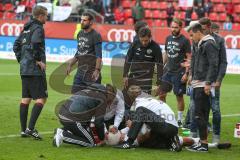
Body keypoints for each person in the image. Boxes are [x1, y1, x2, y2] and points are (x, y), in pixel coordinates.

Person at [13, 5, 48, 140]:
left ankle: (23, 130)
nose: (46, 17)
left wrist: (21, 60)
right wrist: (38, 60)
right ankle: (31, 128)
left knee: (26, 98)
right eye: (45, 15)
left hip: (24, 69)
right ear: (40, 16)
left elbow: (16, 45)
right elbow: (35, 43)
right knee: (42, 98)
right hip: (35, 70)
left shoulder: (26, 28)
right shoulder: (38, 28)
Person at [115, 85, 182, 152]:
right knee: (145, 143)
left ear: (131, 98)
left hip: (166, 126)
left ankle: (129, 142)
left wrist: (130, 126)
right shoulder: (150, 100)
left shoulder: (140, 104)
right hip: (172, 128)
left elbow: (140, 125)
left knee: (141, 110)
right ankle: (172, 143)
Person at [186, 23, 218, 152]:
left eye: (192, 35)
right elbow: (197, 62)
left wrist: (208, 82)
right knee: (199, 114)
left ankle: (203, 144)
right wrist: (191, 75)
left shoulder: (209, 43)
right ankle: (201, 142)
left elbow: (213, 64)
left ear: (198, 32)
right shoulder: (200, 44)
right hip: (198, 82)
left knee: (200, 114)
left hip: (203, 84)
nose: (191, 38)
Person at [199, 17, 228, 143]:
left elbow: (223, 62)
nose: (202, 31)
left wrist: (219, 80)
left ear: (210, 27)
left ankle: (216, 138)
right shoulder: (198, 38)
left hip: (213, 81)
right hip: (199, 80)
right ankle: (197, 137)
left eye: (204, 29)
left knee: (215, 109)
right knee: (198, 109)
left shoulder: (219, 40)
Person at [159, 18, 191, 127]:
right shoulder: (168, 38)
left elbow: (189, 58)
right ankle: (163, 116)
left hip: (180, 72)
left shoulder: (185, 41)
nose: (173, 29)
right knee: (161, 94)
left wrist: (187, 73)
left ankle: (180, 119)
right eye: (172, 27)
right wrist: (161, 67)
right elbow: (166, 54)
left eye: (176, 27)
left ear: (180, 28)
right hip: (168, 71)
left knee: (179, 96)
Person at [123, 27, 163, 103]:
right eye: (142, 40)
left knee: (144, 103)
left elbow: (159, 66)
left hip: (146, 80)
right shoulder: (135, 44)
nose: (144, 42)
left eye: (146, 40)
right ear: (139, 37)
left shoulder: (156, 47)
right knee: (127, 101)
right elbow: (128, 60)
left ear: (150, 37)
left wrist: (159, 83)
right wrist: (125, 75)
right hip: (133, 77)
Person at [66, 12, 102, 94]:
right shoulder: (80, 34)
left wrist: (97, 70)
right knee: (74, 97)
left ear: (91, 22)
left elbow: (99, 55)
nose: (81, 22)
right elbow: (79, 52)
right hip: (80, 72)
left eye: (84, 20)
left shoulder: (96, 35)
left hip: (91, 73)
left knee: (93, 99)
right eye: (81, 20)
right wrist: (70, 64)